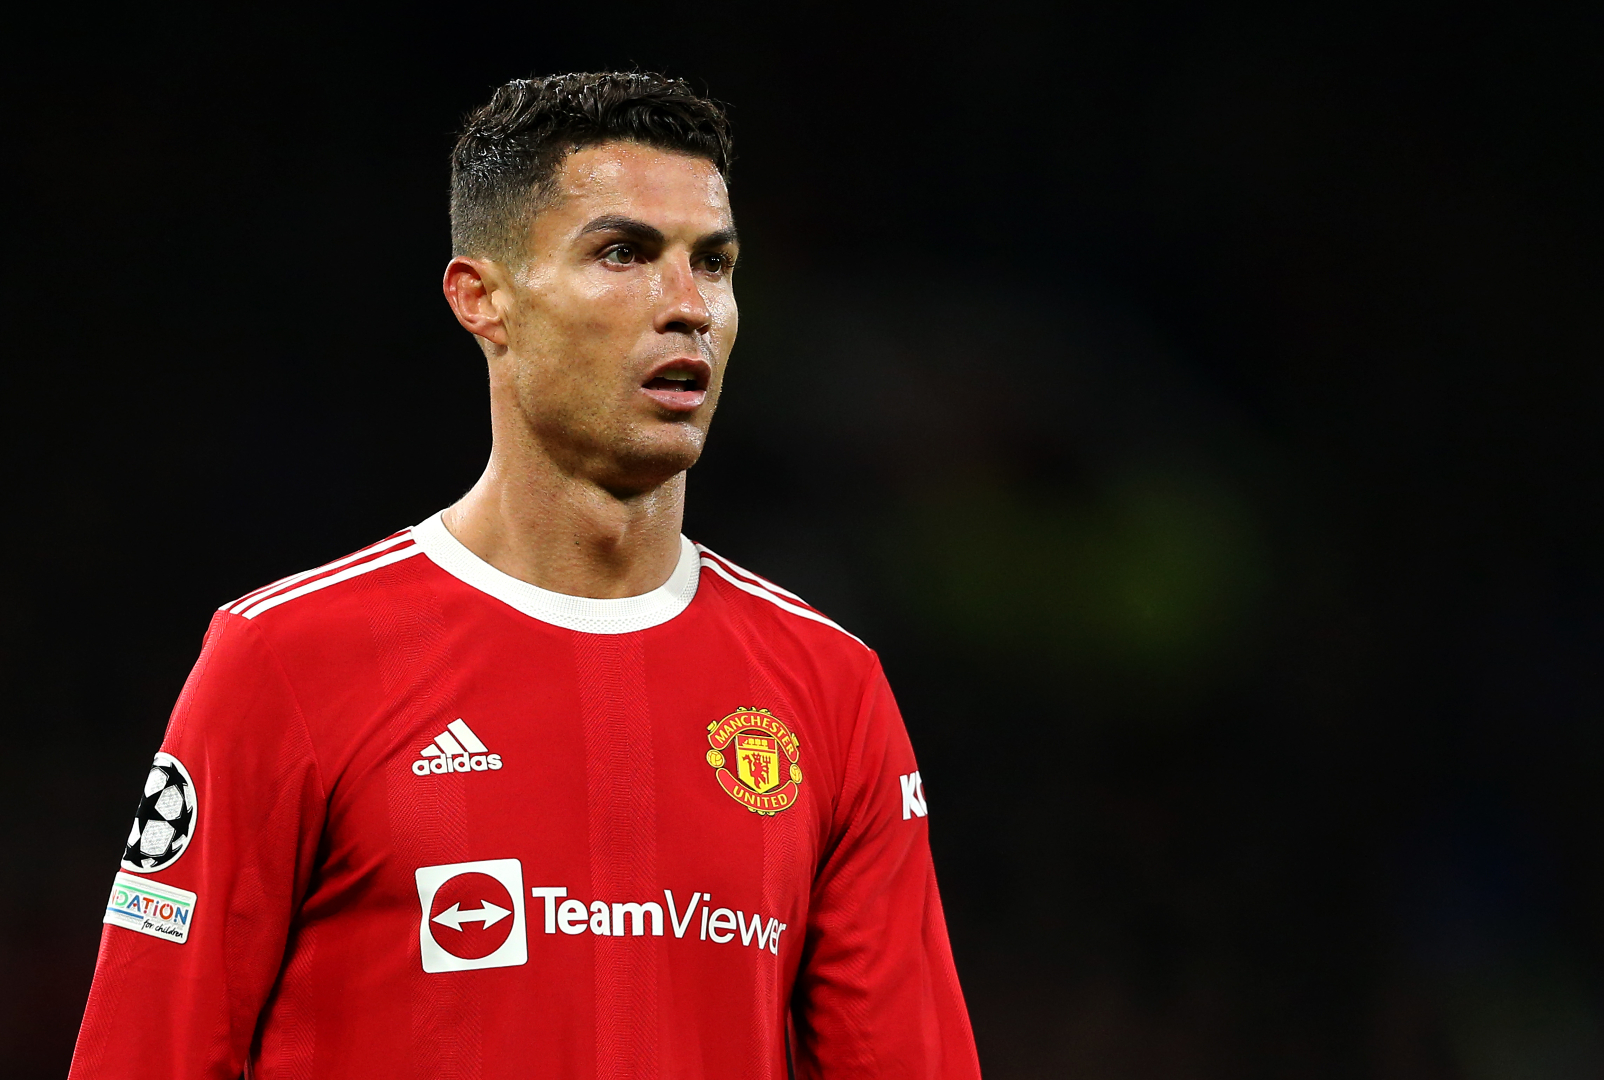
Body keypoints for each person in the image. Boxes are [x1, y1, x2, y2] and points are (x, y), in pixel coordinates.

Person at [68, 71, 978, 1080]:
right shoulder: (287, 660)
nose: (688, 307)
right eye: (624, 254)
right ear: (483, 299)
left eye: (713, 263)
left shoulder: (830, 687)